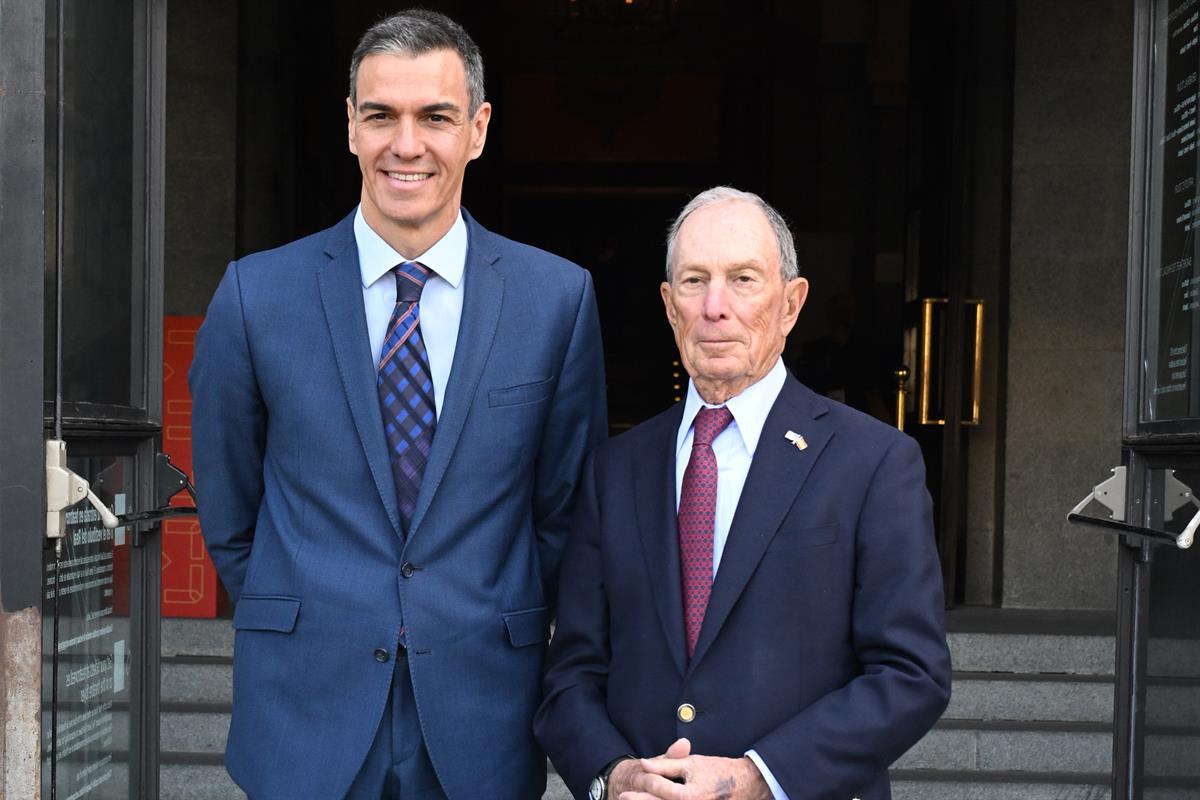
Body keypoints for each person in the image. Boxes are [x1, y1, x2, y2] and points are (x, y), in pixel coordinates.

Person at [189, 9, 606, 799]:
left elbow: (563, 512)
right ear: (350, 125)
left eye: (435, 117)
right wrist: (313, 610)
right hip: (305, 704)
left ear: (478, 130)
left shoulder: (556, 300)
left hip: (485, 710)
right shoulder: (255, 295)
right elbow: (231, 509)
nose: (405, 144)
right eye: (380, 115)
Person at [534, 187, 950, 800]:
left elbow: (912, 675)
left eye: (743, 279)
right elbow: (571, 673)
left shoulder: (875, 463)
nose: (715, 306)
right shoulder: (614, 471)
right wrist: (615, 775)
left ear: (791, 304)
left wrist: (757, 778)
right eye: (694, 281)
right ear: (670, 307)